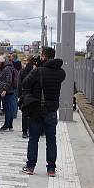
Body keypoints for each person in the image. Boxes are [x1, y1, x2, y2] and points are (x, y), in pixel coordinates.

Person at [20, 47, 66, 177]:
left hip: (37, 110)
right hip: (51, 110)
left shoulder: (38, 71)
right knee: (51, 140)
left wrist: (37, 68)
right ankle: (51, 169)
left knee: (33, 139)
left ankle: (30, 167)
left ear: (44, 56)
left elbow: (25, 83)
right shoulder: (61, 72)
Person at [17, 56, 37, 138]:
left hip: (25, 94)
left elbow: (19, 84)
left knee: (25, 114)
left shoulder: (22, 71)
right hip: (34, 95)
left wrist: (20, 95)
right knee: (34, 114)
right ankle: (33, 129)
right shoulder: (36, 71)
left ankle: (24, 131)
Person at [0, 55, 18, 131]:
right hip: (8, 91)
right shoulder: (6, 67)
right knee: (9, 108)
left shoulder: (6, 69)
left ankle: (7, 125)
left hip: (8, 91)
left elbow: (8, 80)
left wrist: (5, 90)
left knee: (8, 109)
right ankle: (9, 125)